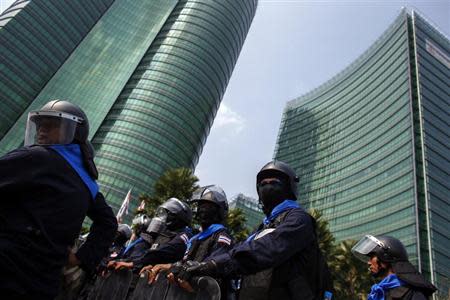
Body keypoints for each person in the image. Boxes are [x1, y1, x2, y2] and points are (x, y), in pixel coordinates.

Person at [0, 100, 118, 299]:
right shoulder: (88, 183)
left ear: (73, 133)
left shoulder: (39, 157)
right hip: (43, 284)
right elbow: (108, 223)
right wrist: (81, 258)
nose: (42, 131)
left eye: (52, 126)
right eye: (40, 126)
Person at [177, 161, 330, 300]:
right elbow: (235, 252)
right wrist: (197, 266)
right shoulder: (260, 228)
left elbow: (270, 246)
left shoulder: (299, 218)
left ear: (289, 187)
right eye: (263, 183)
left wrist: (214, 265)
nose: (268, 186)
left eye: (275, 182)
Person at [146, 185, 234, 299]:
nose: (203, 209)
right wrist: (168, 267)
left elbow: (213, 266)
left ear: (219, 211)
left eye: (208, 206)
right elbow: (186, 263)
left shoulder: (222, 236)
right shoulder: (195, 239)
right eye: (201, 205)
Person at [352, 235, 437, 300]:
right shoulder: (377, 293)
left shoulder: (413, 293)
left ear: (385, 256)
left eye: (372, 257)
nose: (369, 262)